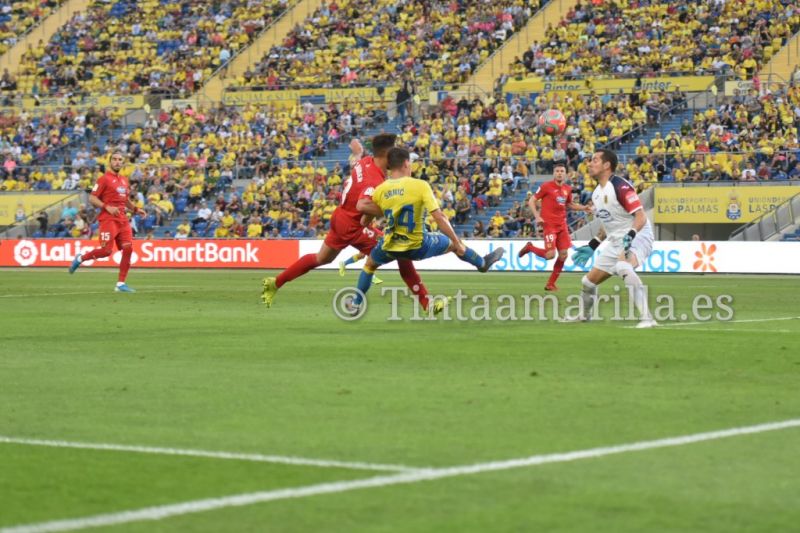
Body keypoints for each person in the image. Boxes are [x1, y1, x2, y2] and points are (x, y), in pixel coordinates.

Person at [261, 134, 432, 310]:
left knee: (321, 258)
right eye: (394, 151)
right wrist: (392, 210)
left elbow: (358, 165)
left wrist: (357, 151)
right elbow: (363, 204)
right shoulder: (375, 181)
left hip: (340, 217)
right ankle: (426, 303)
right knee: (402, 252)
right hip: (354, 226)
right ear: (387, 154)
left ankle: (275, 283)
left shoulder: (366, 161)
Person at [348, 147, 505, 313]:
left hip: (390, 246)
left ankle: (356, 303)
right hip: (418, 245)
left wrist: (388, 211)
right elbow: (439, 217)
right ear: (406, 163)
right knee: (453, 244)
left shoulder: (380, 189)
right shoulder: (420, 185)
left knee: (370, 265)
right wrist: (457, 242)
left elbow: (365, 220)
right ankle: (482, 263)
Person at [569, 150, 657, 328]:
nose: (590, 164)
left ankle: (648, 318)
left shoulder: (620, 186)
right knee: (587, 282)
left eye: (594, 160)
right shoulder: (595, 194)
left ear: (607, 165)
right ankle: (584, 316)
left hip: (639, 234)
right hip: (617, 240)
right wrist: (593, 245)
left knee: (622, 265)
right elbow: (607, 224)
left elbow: (640, 216)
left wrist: (630, 236)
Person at [69, 151, 145, 293]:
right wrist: (107, 207)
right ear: (110, 162)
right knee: (106, 251)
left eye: (120, 159)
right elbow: (92, 198)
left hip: (122, 220)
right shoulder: (104, 179)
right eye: (114, 159)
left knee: (128, 249)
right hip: (108, 220)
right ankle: (81, 258)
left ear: (123, 163)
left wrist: (135, 209)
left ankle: (120, 284)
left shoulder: (124, 180)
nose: (117, 162)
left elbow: (125, 200)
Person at [518, 162, 590, 291]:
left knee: (563, 255)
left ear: (566, 174)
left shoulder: (567, 189)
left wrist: (584, 208)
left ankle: (550, 284)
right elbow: (531, 200)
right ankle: (529, 247)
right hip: (549, 225)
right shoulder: (546, 186)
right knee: (550, 255)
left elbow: (569, 205)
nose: (559, 173)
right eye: (557, 171)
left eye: (562, 171)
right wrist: (537, 216)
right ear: (553, 173)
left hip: (562, 225)